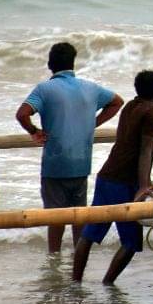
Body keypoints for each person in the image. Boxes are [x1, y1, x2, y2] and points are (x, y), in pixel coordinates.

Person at [16, 42, 123, 253]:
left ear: (50, 64)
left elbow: (22, 114)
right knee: (78, 216)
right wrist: (92, 123)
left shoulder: (44, 89)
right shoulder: (91, 88)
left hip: (55, 164)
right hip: (81, 163)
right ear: (73, 64)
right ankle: (78, 257)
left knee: (55, 218)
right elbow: (117, 102)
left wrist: (34, 131)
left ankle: (54, 259)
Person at [73, 70, 153, 284]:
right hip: (124, 183)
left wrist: (144, 181)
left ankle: (75, 282)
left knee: (89, 234)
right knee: (131, 242)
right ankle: (107, 283)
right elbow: (145, 149)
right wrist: (144, 185)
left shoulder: (130, 107)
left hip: (107, 177)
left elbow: (132, 146)